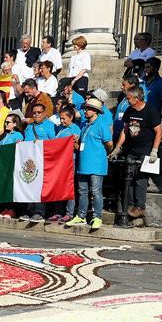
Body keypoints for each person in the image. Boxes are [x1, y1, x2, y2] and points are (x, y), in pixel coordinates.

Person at [110, 85, 162, 224]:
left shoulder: (150, 111)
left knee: (140, 179)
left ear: (137, 98)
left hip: (145, 151)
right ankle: (130, 206)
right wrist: (117, 148)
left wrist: (154, 150)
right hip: (131, 150)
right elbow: (125, 131)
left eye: (128, 98)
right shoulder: (129, 110)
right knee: (129, 177)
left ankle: (140, 207)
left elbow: (158, 132)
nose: (127, 100)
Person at [66, 97, 112, 230]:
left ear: (95, 111)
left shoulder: (102, 124)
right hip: (83, 164)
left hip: (97, 164)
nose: (85, 111)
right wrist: (75, 141)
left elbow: (109, 144)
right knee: (82, 191)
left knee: (96, 191)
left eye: (87, 109)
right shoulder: (85, 126)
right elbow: (79, 146)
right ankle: (81, 216)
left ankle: (97, 217)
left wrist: (104, 154)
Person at [51, 105, 82, 223]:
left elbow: (77, 147)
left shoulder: (75, 129)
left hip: (70, 161)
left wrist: (74, 143)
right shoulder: (60, 129)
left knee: (69, 187)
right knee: (59, 186)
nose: (62, 121)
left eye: (64, 118)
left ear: (71, 117)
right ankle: (58, 212)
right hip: (59, 162)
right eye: (61, 118)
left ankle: (69, 213)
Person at [0, 113, 26, 219]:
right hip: (3, 165)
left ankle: (12, 209)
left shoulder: (18, 135)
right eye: (5, 122)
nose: (6, 124)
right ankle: (5, 208)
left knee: (11, 187)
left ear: (15, 124)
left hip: (12, 164)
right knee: (5, 187)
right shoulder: (5, 135)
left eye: (8, 122)